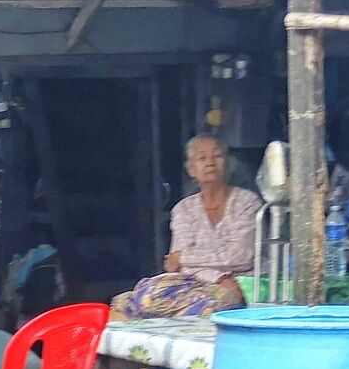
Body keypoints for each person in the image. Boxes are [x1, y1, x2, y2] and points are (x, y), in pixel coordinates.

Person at [110, 135, 260, 319]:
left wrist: (184, 256)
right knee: (134, 299)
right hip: (195, 283)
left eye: (217, 156)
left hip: (239, 285)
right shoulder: (183, 209)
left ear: (227, 163)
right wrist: (219, 277)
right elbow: (177, 267)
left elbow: (241, 256)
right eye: (202, 158)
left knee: (207, 305)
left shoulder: (247, 202)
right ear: (191, 169)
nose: (210, 163)